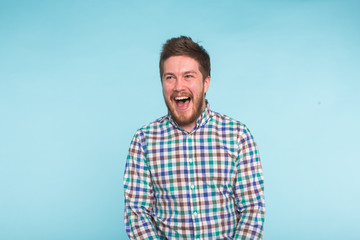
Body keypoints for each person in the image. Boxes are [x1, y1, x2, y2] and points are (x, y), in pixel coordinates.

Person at [124, 36, 265, 239]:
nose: (178, 86)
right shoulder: (144, 140)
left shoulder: (238, 136)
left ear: (205, 83)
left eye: (188, 76)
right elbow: (137, 212)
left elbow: (252, 208)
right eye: (169, 77)